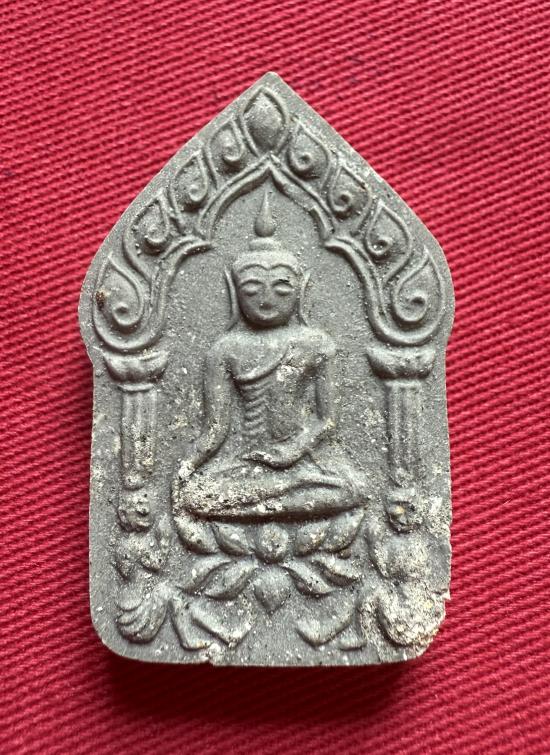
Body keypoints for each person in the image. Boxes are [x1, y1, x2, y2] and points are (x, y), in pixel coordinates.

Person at [172, 191, 366, 520]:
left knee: (354, 489)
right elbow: (215, 430)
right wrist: (185, 470)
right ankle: (284, 504)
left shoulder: (316, 344)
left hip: (303, 461)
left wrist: (294, 450)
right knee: (196, 496)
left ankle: (268, 504)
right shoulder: (226, 349)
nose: (266, 299)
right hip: (247, 462)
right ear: (234, 292)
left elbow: (327, 420)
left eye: (281, 287)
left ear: (301, 289)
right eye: (252, 289)